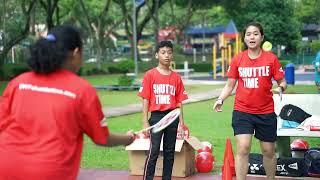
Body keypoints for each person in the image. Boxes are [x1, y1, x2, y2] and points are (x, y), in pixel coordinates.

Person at [0, 25, 135, 180]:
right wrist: (128, 138)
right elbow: (102, 138)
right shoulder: (81, 90)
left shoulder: (18, 83)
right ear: (76, 53)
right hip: (49, 172)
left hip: (5, 166)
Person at [213, 22, 287, 180]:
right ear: (244, 38)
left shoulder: (271, 59)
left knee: (268, 150)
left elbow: (282, 82)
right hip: (242, 111)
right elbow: (230, 85)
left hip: (266, 112)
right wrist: (220, 99)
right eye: (248, 34)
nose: (252, 37)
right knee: (243, 147)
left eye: (255, 34)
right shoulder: (238, 59)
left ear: (261, 37)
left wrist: (280, 88)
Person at [138, 40, 188, 180]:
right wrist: (144, 122)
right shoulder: (150, 75)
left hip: (172, 117)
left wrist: (181, 124)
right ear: (156, 55)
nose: (166, 55)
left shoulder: (177, 78)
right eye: (163, 52)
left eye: (169, 52)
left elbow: (179, 103)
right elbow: (145, 99)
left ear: (172, 55)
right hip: (156, 118)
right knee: (153, 151)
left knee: (169, 152)